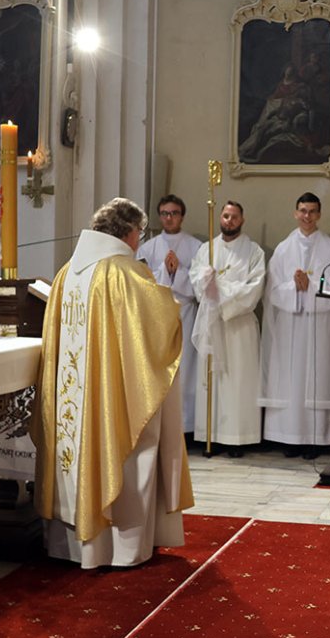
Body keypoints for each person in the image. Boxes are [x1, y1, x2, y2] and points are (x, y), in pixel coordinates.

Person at [32, 197, 194, 568]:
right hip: (111, 398)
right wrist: (171, 308)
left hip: (72, 399)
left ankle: (69, 546)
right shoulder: (125, 271)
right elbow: (157, 325)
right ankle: (121, 549)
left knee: (71, 454)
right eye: (140, 233)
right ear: (129, 231)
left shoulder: (67, 272)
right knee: (128, 446)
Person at [260, 193, 330, 455]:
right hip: (290, 325)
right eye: (302, 211)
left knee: (316, 377)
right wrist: (294, 288)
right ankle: (289, 438)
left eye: (312, 211)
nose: (307, 216)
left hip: (319, 327)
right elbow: (272, 291)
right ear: (295, 213)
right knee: (291, 379)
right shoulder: (283, 249)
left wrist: (310, 288)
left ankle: (314, 438)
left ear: (319, 214)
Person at [190, 201, 266, 455]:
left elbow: (254, 289)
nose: (229, 221)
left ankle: (238, 439)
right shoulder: (206, 250)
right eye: (225, 216)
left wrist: (219, 290)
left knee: (239, 382)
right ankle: (210, 436)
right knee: (213, 380)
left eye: (234, 217)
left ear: (242, 220)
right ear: (219, 218)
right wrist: (205, 282)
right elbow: (195, 281)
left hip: (239, 326)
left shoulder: (253, 251)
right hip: (212, 325)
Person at [136, 194, 201, 436]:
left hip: (186, 314)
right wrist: (166, 270)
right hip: (158, 317)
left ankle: (187, 427)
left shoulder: (196, 247)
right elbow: (142, 283)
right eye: (165, 213)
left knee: (186, 371)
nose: (169, 218)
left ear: (182, 216)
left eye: (174, 213)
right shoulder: (148, 247)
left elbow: (199, 286)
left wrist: (179, 271)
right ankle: (161, 427)